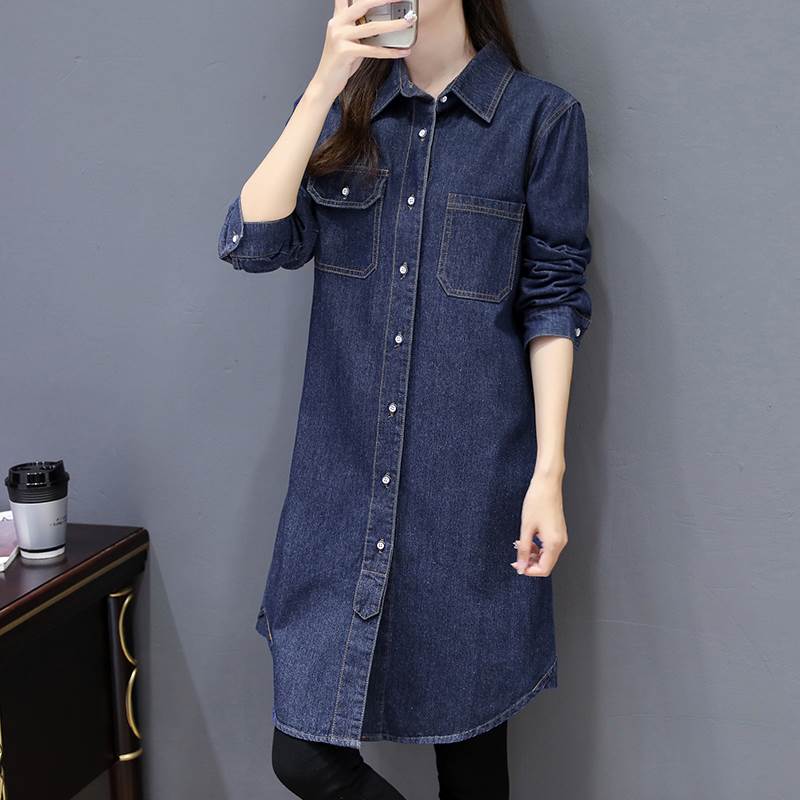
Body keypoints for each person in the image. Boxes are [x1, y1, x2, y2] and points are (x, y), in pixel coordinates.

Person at [217, 0, 593, 797]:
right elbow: (254, 240)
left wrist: (549, 475)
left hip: (470, 500)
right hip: (339, 500)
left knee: (472, 766)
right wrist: (325, 83)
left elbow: (553, 301)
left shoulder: (540, 119)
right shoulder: (339, 111)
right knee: (303, 755)